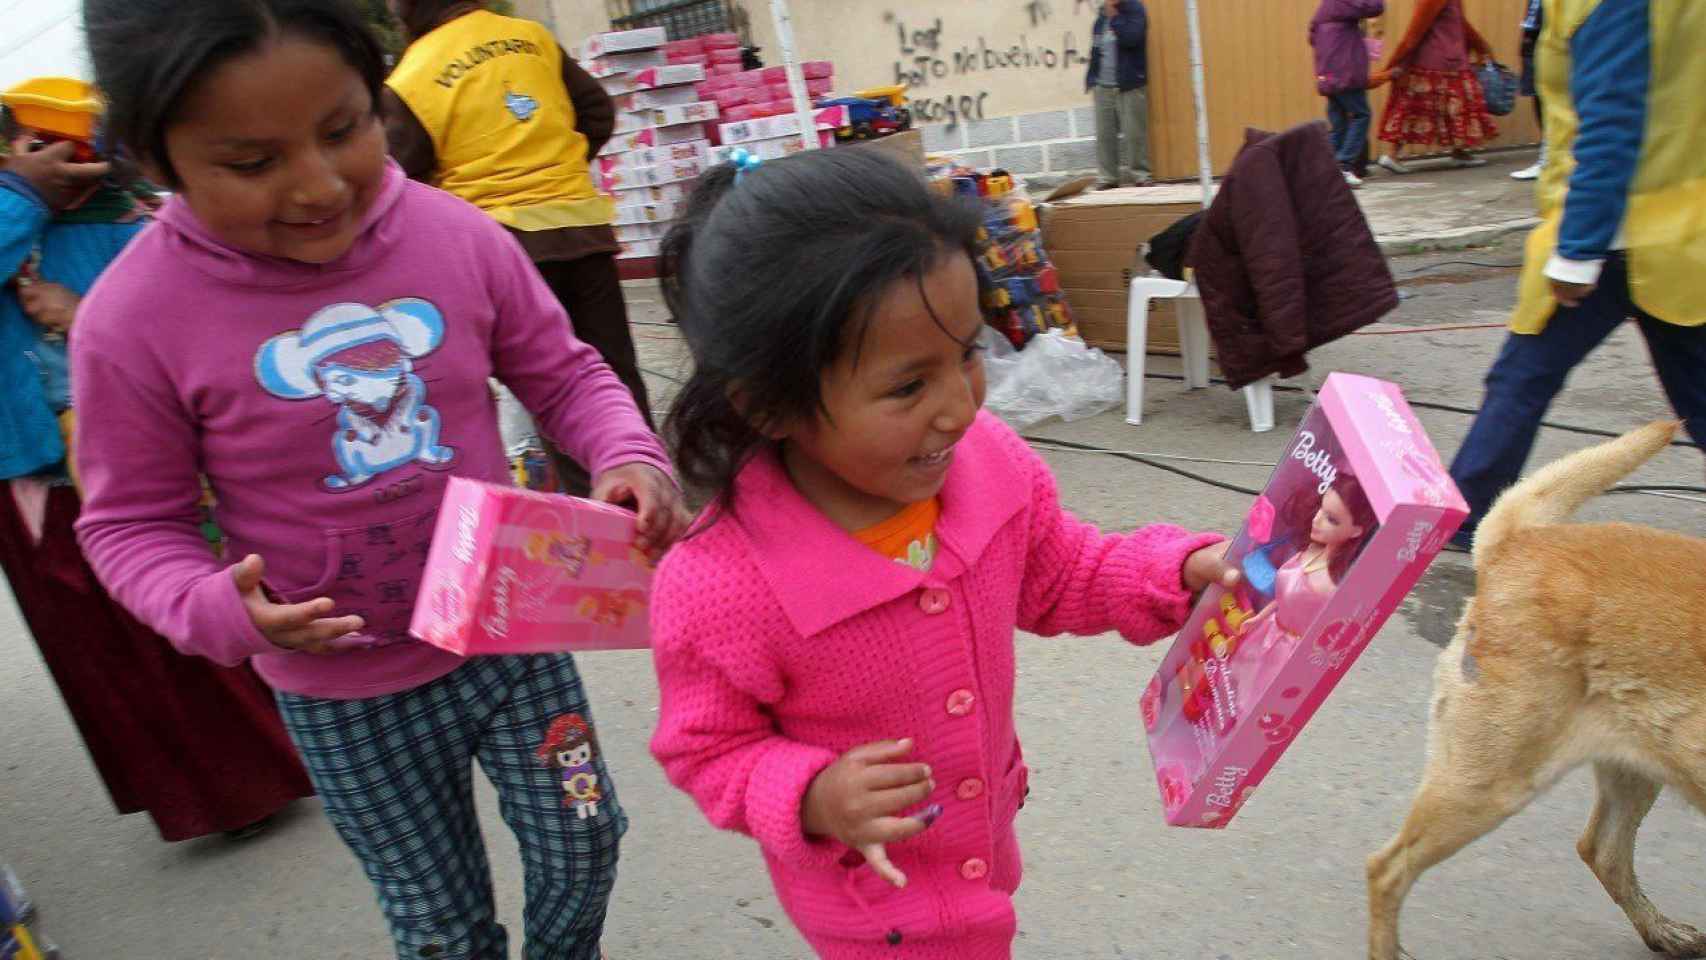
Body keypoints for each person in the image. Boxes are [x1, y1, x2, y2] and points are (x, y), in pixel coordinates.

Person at [75, 1, 687, 956]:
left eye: (343, 129)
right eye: (251, 162)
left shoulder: (457, 236)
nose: (319, 185)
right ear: (155, 160)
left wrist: (625, 456)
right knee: (438, 921)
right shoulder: (131, 319)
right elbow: (127, 525)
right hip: (342, 697)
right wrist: (217, 609)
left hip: (511, 635)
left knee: (584, 835)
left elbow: (563, 372)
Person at [646, 148, 1237, 958]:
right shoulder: (720, 585)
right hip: (872, 907)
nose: (960, 408)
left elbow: (1062, 571)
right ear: (769, 405)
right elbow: (706, 749)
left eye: (967, 353)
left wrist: (1177, 570)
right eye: (906, 386)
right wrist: (813, 795)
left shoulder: (990, 465)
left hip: (984, 848)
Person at [0, 99, 314, 844]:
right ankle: (230, 792)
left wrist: (85, 311)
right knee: (125, 641)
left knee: (220, 592)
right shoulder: (27, 206)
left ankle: (297, 753)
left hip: (155, 444)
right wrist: (24, 199)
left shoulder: (130, 213)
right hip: (38, 462)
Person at [1446, 0, 1705, 549]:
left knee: (1522, 378)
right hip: (1681, 231)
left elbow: (1610, 126)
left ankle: (1465, 519)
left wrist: (1578, 252)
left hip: (1615, 230)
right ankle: (1465, 514)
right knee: (1698, 387)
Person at [383, 0, 648, 496]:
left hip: (500, 248)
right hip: (582, 228)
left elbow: (401, 177)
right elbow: (597, 112)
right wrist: (557, 165)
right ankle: (645, 486)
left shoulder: (410, 78)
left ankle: (597, 509)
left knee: (549, 383)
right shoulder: (532, 38)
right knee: (612, 371)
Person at [1371, 0, 1497, 174]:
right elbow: (1416, 31)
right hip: (1438, 61)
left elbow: (1459, 22)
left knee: (1444, 109)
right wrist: (1395, 62)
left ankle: (1460, 152)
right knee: (1421, 108)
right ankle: (1392, 155)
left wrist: (1480, 46)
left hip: (1447, 59)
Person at [1310, 0, 1386, 187]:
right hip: (1345, 74)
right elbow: (1374, 7)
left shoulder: (1323, 9)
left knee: (1339, 125)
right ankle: (1344, 165)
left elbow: (1312, 37)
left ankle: (1324, 169)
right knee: (1362, 115)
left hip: (1327, 75)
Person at [1085, 0, 1151, 190]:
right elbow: (1096, 48)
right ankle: (1108, 178)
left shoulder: (1135, 9)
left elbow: (1132, 38)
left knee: (1134, 134)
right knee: (1105, 135)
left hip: (1129, 83)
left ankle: (1141, 175)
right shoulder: (1100, 18)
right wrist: (1092, 78)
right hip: (1103, 86)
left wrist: (1114, 15)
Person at [1510, 0, 1546, 181]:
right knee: (1539, 99)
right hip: (1533, 43)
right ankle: (1547, 157)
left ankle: (1550, 159)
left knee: (1550, 102)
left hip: (1549, 44)